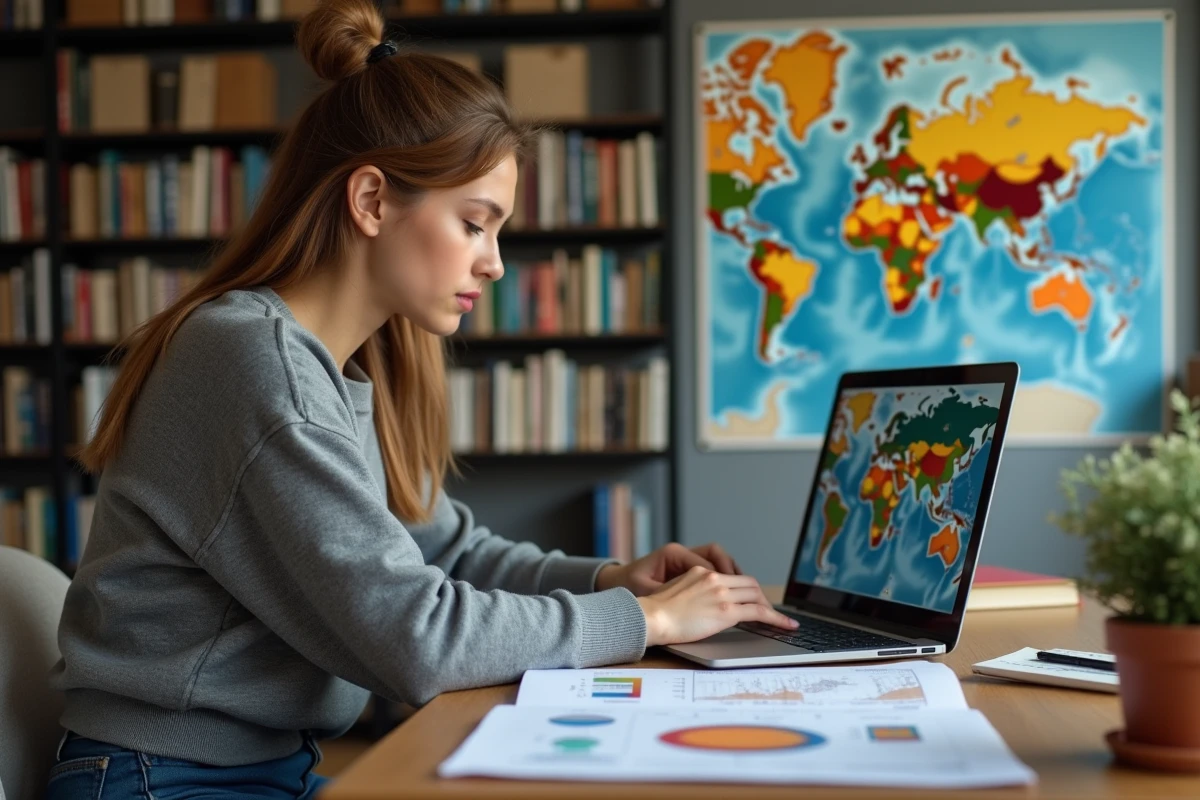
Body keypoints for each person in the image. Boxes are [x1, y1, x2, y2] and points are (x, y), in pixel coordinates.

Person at [44, 1, 798, 797]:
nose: (495, 263)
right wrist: (651, 623)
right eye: (476, 224)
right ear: (371, 202)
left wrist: (613, 580)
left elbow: (446, 553)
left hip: (252, 768)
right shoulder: (252, 360)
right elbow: (416, 640)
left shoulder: (334, 367)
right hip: (161, 779)